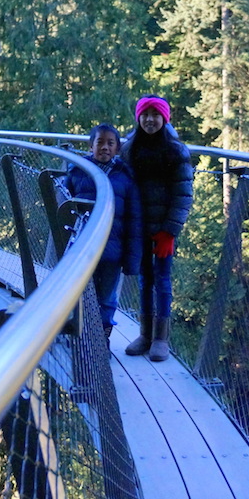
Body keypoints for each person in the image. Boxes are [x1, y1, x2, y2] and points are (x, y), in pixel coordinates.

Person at [121, 95, 194, 362]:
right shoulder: (129, 149)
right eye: (145, 114)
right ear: (138, 118)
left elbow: (183, 194)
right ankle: (145, 335)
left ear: (164, 118)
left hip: (163, 229)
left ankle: (161, 339)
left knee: (162, 280)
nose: (150, 120)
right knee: (145, 281)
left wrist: (170, 231)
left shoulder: (175, 151)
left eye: (155, 114)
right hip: (139, 227)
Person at [64, 124, 143, 343]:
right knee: (79, 291)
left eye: (110, 143)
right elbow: (64, 205)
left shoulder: (126, 179)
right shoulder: (78, 172)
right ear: (91, 146)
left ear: (118, 149)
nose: (105, 147)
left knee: (107, 297)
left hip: (113, 250)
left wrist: (132, 258)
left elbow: (134, 221)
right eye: (100, 142)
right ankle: (80, 334)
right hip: (83, 247)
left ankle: (101, 339)